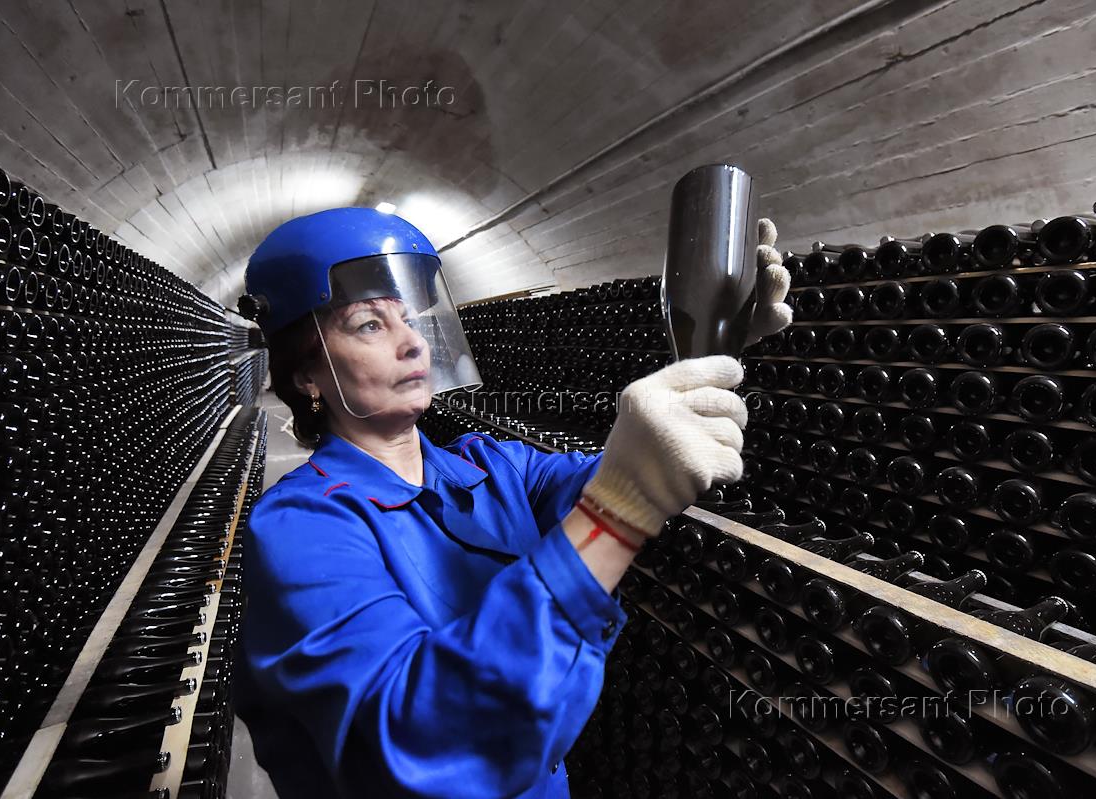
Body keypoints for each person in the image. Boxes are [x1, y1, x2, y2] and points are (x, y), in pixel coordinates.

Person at [234, 207, 792, 798]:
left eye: (411, 318)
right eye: (370, 325)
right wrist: (618, 514)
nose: (412, 343)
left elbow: (636, 466)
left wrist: (708, 347)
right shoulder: (302, 527)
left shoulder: (493, 466)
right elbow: (418, 745)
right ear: (307, 375)